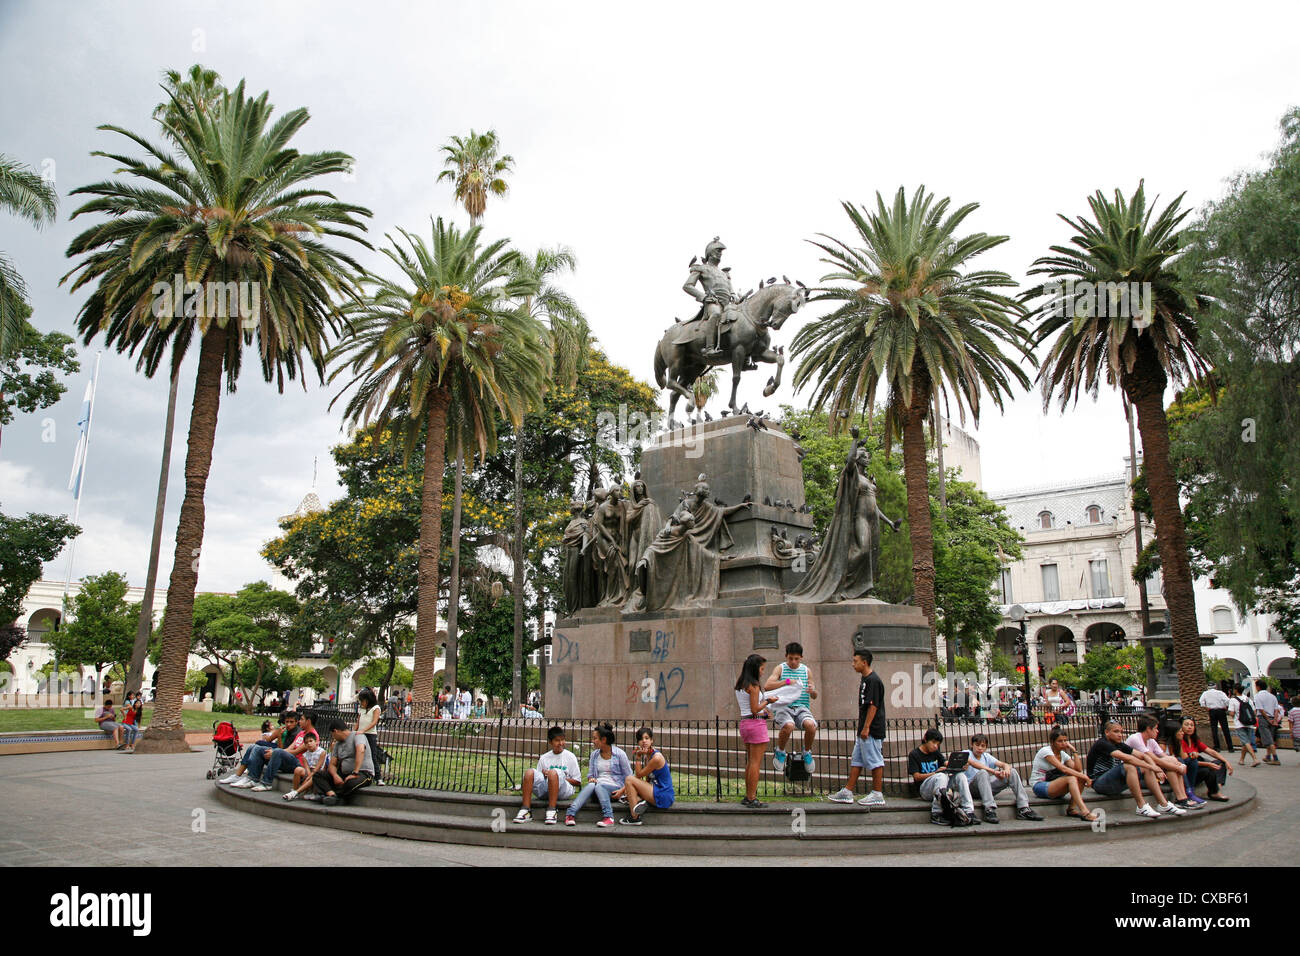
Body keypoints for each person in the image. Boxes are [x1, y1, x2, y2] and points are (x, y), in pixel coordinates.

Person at [1086, 720, 1186, 819]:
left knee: (1145, 767)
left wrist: (1155, 768)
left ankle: (1163, 804)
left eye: (1121, 732)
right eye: (1116, 732)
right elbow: (1128, 758)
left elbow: (1143, 756)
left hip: (1115, 781)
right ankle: (1141, 806)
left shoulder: (1119, 744)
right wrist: (1152, 767)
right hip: (1099, 783)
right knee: (1130, 765)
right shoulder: (1102, 743)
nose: (1120, 735)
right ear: (1106, 732)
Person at [827, 649, 886, 806]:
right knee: (857, 760)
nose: (853, 664)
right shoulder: (865, 679)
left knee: (875, 760)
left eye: (855, 661)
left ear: (864, 662)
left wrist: (866, 727)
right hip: (863, 729)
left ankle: (877, 793)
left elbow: (873, 705)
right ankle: (847, 791)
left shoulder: (873, 680)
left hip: (871, 729)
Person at [962, 732, 1043, 823]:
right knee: (983, 773)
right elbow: (976, 764)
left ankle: (1023, 807)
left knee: (1012, 772)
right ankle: (989, 809)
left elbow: (1004, 764)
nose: (980, 748)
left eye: (983, 746)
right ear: (971, 745)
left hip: (987, 788)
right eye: (977, 745)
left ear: (986, 747)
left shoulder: (986, 756)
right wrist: (994, 772)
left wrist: (1006, 770)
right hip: (972, 789)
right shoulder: (966, 753)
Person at [1125, 715, 1200, 809]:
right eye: (1155, 728)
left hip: (1150, 771)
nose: (1158, 731)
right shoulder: (1135, 738)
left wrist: (1180, 765)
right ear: (1148, 729)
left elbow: (1164, 756)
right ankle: (1181, 799)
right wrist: (1178, 767)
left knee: (1172, 762)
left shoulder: (1151, 741)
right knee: (1172, 766)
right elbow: (1154, 759)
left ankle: (1182, 798)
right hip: (1137, 775)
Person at [565, 723, 632, 828]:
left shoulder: (619, 754)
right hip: (597, 788)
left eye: (595, 738)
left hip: (615, 789)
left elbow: (630, 777)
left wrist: (622, 791)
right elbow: (591, 775)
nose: (593, 741)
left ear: (604, 740)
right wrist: (591, 779)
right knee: (593, 785)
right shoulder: (594, 755)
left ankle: (608, 817)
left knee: (599, 785)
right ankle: (570, 814)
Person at [765, 642, 818, 774]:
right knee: (789, 725)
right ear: (786, 656)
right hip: (784, 707)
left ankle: (807, 751)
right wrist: (786, 682)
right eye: (790, 658)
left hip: (801, 707)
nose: (793, 662)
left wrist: (812, 691)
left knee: (811, 725)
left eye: (796, 659)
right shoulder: (780, 668)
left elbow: (815, 695)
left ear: (801, 657)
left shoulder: (806, 671)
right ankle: (780, 751)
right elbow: (768, 685)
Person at [908, 728, 977, 827]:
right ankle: (936, 812)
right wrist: (935, 773)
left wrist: (959, 765)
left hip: (941, 787)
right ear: (925, 739)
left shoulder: (935, 752)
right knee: (941, 776)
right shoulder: (914, 754)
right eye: (933, 742)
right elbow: (917, 776)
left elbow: (946, 763)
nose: (935, 746)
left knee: (961, 776)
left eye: (938, 744)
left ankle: (968, 810)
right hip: (925, 789)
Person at [735, 653, 778, 808]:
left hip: (745, 724)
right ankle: (752, 797)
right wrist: (768, 701)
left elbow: (750, 708)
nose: (763, 671)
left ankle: (748, 795)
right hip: (755, 724)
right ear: (755, 668)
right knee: (755, 763)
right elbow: (754, 709)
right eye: (762, 668)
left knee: (750, 761)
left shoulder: (741, 684)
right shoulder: (753, 686)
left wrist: (763, 712)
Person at [1028, 725, 1097, 822]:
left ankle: (1071, 809)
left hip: (1054, 784)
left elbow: (1078, 769)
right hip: (1039, 786)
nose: (1063, 743)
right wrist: (1085, 776)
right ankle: (1085, 812)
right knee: (1072, 778)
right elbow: (1063, 769)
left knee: (1078, 778)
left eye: (1065, 741)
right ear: (1052, 742)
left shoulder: (1063, 754)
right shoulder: (1046, 751)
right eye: (1060, 741)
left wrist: (1074, 751)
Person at [515, 726, 581, 824]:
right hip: (546, 789)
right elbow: (538, 778)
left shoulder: (570, 757)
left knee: (554, 772)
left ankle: (552, 810)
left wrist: (556, 777)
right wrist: (547, 776)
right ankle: (526, 810)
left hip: (563, 790)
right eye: (557, 741)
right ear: (550, 742)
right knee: (529, 772)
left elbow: (577, 782)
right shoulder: (544, 758)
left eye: (562, 740)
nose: (560, 743)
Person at [619, 726, 675, 825]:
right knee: (630, 791)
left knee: (629, 779)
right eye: (641, 739)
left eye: (646, 738)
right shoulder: (648, 757)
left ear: (652, 740)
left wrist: (637, 757)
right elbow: (644, 779)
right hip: (655, 790)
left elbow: (639, 775)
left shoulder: (656, 758)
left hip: (663, 794)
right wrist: (624, 790)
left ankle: (634, 817)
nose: (644, 741)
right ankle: (643, 802)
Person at [312, 719, 374, 806]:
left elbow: (360, 751)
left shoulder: (357, 736)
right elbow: (332, 764)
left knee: (351, 782)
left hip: (362, 772)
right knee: (318, 775)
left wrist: (355, 772)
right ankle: (332, 795)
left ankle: (336, 797)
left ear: (336, 731)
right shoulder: (338, 744)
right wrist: (335, 776)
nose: (333, 737)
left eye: (332, 734)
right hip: (344, 773)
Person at [1170, 717, 1231, 802]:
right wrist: (1208, 764)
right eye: (1186, 725)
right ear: (1181, 727)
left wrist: (1226, 761)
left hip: (1196, 766)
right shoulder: (1180, 741)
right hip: (1188, 771)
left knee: (1220, 763)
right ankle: (1213, 792)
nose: (1189, 727)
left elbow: (1211, 751)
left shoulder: (1194, 740)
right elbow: (1186, 761)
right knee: (1208, 770)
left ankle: (1216, 789)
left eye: (1192, 725)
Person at [283, 731, 329, 801]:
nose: (309, 744)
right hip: (309, 771)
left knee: (314, 776)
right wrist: (309, 775)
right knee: (298, 769)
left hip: (318, 772)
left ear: (316, 742)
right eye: (306, 743)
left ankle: (296, 793)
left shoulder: (322, 752)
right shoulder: (304, 755)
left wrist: (310, 776)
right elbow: (306, 767)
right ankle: (294, 790)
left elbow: (318, 767)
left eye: (311, 741)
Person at [355, 688, 386, 786]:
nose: (361, 703)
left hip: (370, 734)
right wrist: (355, 731)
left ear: (368, 700)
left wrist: (363, 730)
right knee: (359, 753)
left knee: (372, 755)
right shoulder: (362, 709)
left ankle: (378, 777)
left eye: (363, 701)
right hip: (360, 733)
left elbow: (374, 722)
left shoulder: (375, 708)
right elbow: (358, 721)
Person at [1228, 683, 1261, 766]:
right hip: (1249, 723)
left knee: (1246, 742)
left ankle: (1255, 759)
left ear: (1235, 690)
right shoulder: (1247, 699)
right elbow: (1254, 711)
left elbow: (1231, 713)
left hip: (1239, 724)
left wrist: (1231, 713)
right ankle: (1241, 759)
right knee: (1246, 743)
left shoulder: (1233, 700)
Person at [1253, 679, 1283, 765]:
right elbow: (1276, 709)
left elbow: (1261, 710)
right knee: (1269, 737)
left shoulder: (1258, 696)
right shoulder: (1272, 696)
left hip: (1263, 718)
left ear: (1258, 687)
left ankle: (1275, 758)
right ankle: (1268, 756)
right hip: (1273, 718)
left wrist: (1268, 719)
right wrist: (1274, 720)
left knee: (1268, 740)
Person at [1199, 681, 1233, 753]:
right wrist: (1225, 707)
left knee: (1214, 729)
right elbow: (1227, 701)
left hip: (1212, 711)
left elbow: (1201, 702)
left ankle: (1217, 747)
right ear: (1215, 686)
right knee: (1225, 728)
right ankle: (1230, 747)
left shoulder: (1205, 693)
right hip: (1221, 711)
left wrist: (1206, 708)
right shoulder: (1220, 693)